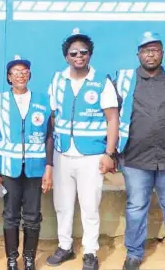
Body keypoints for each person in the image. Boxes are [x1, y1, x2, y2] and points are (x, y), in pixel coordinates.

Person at [114, 31, 165, 270]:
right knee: (136, 206)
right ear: (138, 54)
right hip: (135, 157)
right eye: (145, 50)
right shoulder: (124, 80)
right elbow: (111, 117)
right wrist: (112, 153)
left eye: (155, 50)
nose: (150, 55)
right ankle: (134, 253)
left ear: (162, 53)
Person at [46, 28, 119, 270]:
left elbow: (112, 120)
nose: (79, 56)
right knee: (62, 205)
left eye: (84, 52)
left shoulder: (101, 82)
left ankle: (90, 252)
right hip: (63, 153)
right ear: (66, 56)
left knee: (90, 206)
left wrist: (109, 154)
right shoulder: (58, 80)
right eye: (73, 52)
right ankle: (65, 246)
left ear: (90, 55)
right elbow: (53, 115)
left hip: (92, 156)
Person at [0, 55, 54, 270]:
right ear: (9, 77)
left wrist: (49, 167)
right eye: (15, 71)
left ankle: (28, 259)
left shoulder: (43, 100)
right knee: (10, 215)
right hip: (9, 170)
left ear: (30, 75)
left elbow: (49, 136)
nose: (20, 75)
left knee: (33, 216)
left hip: (35, 170)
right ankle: (11, 259)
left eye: (24, 71)